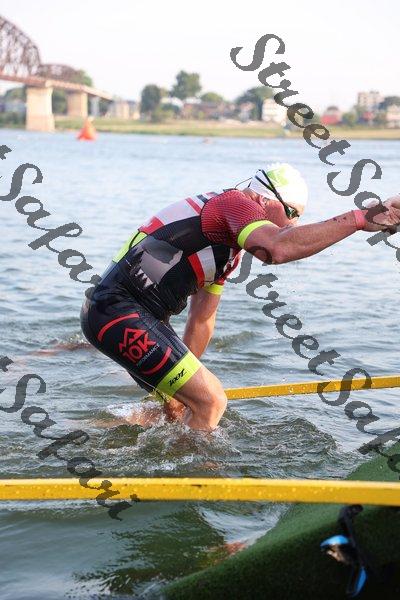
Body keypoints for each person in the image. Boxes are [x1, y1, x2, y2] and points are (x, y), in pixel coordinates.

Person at [80, 162, 400, 431]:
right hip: (118, 311)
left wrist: (184, 385)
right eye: (291, 213)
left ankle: (86, 430)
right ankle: (197, 477)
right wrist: (361, 218)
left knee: (183, 405)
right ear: (264, 198)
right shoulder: (232, 204)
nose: (293, 224)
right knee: (212, 401)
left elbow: (202, 320)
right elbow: (278, 247)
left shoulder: (226, 248)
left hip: (119, 314)